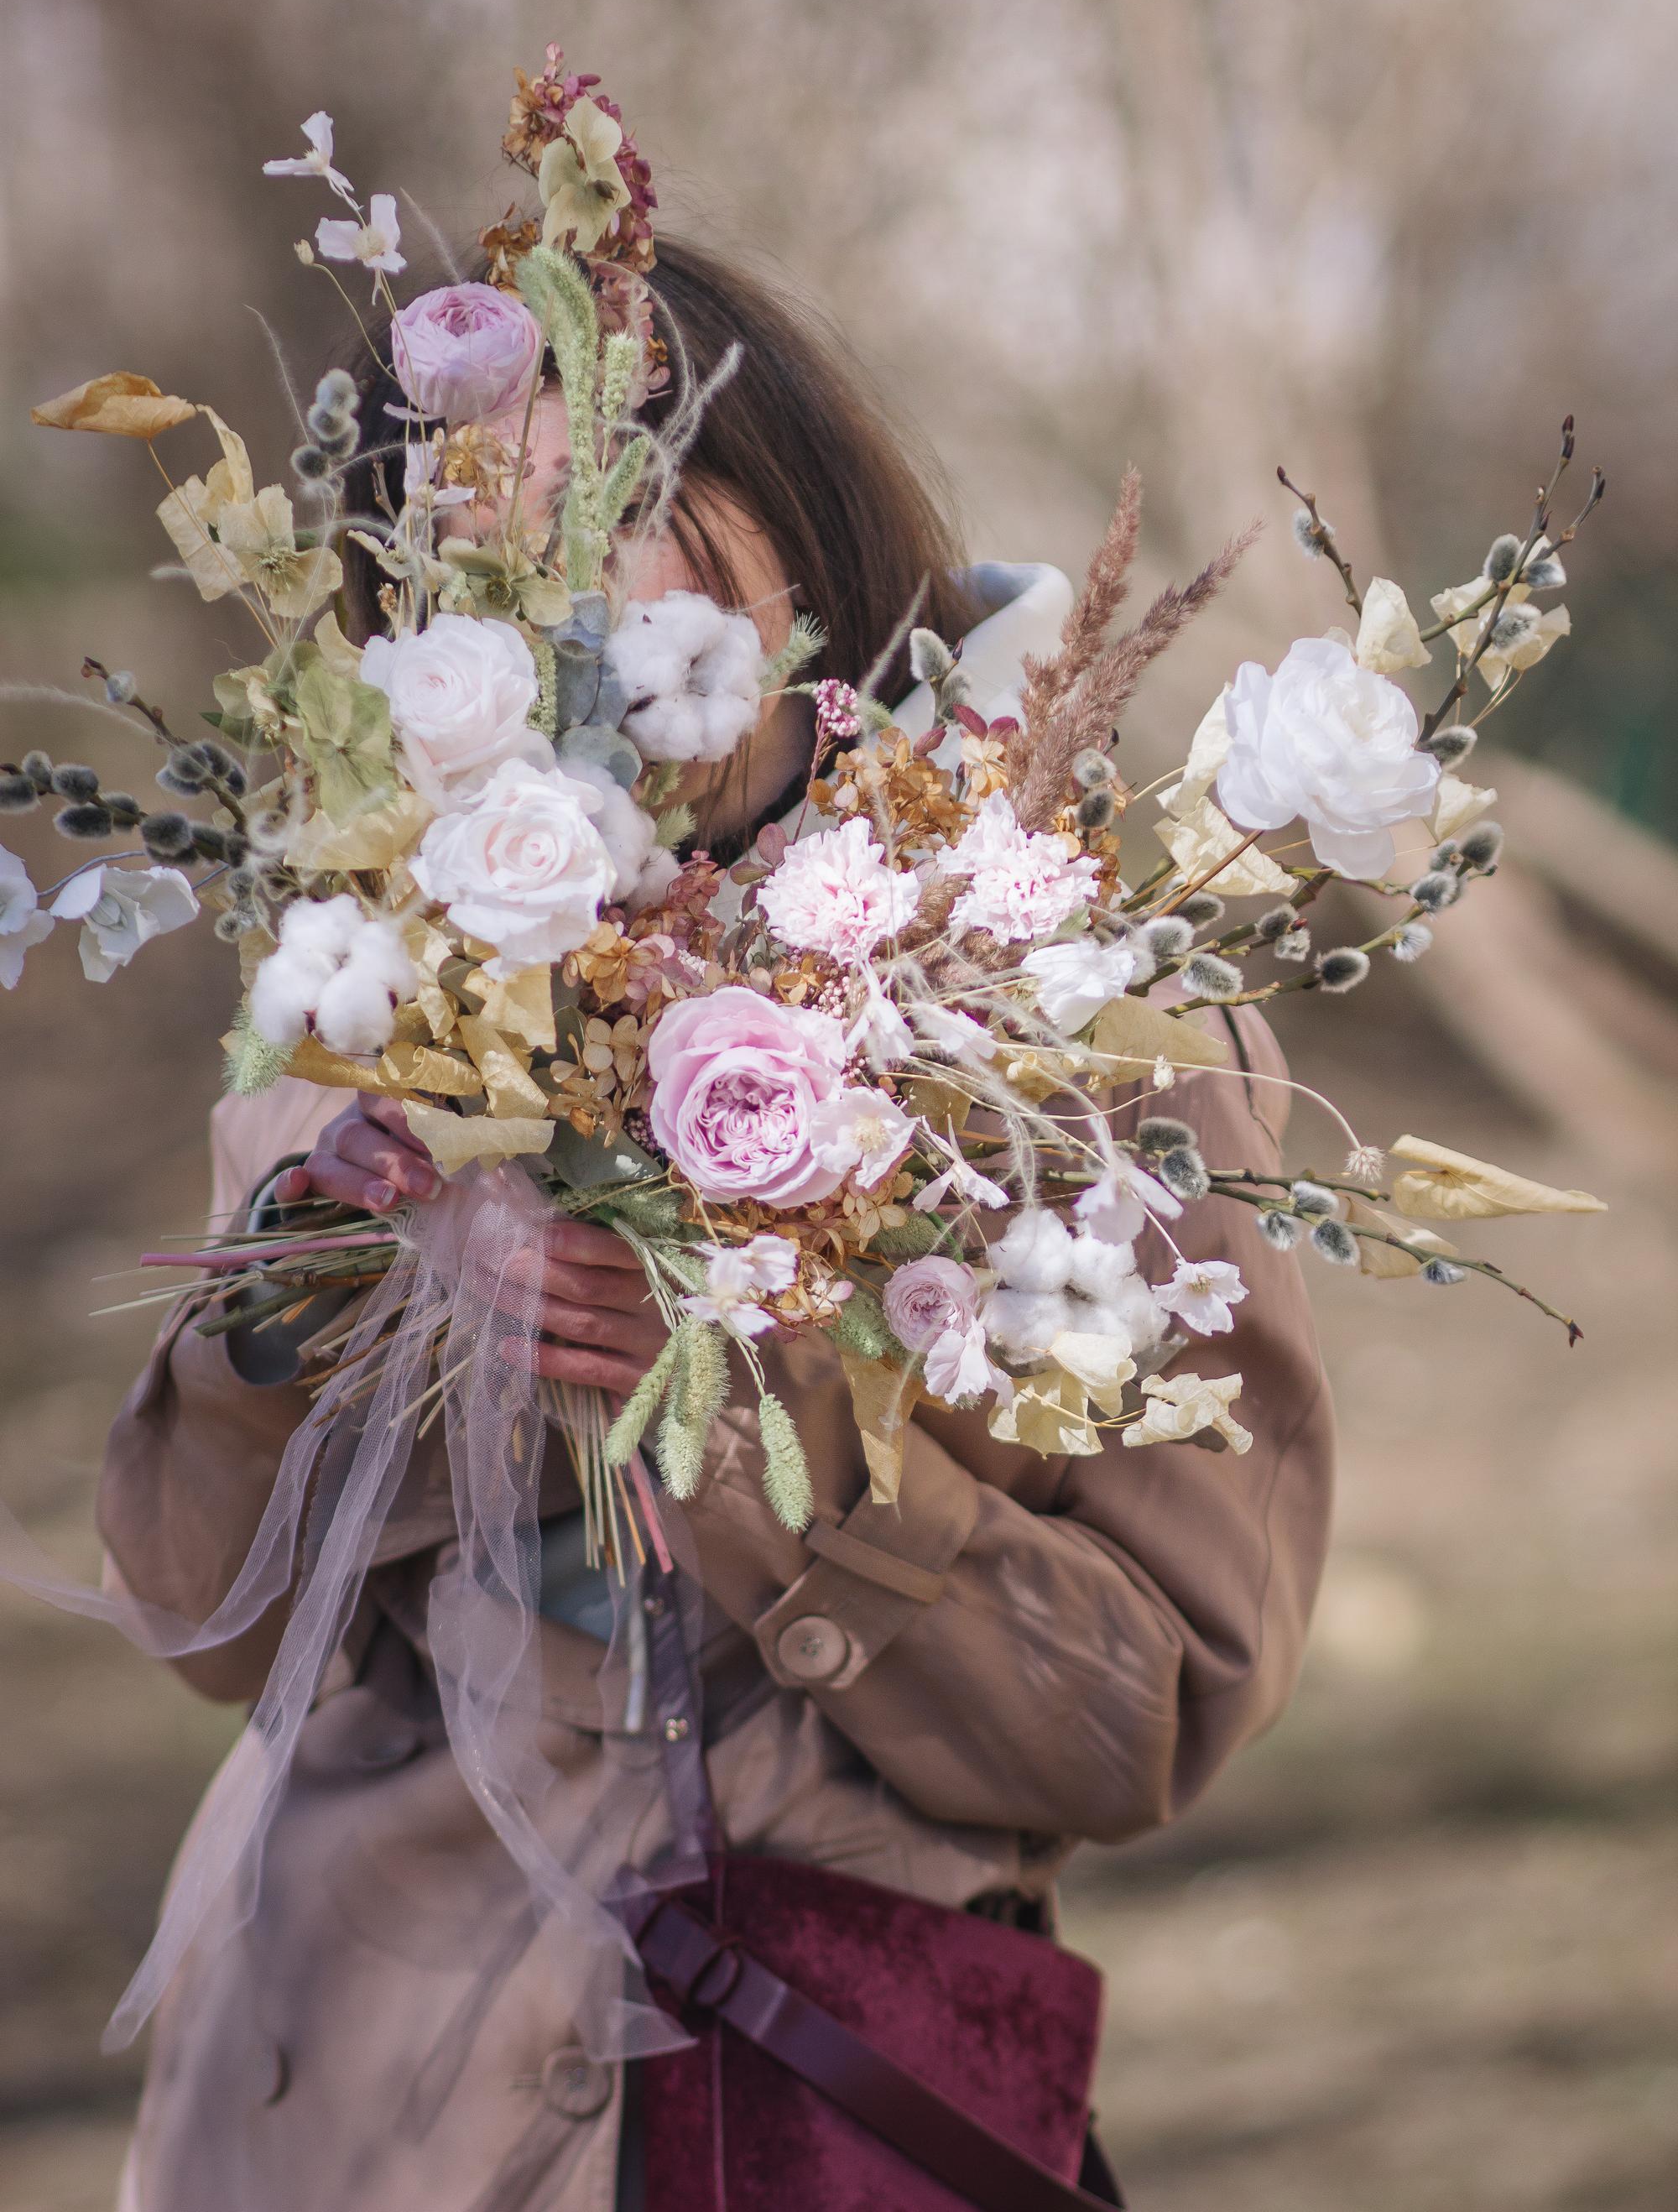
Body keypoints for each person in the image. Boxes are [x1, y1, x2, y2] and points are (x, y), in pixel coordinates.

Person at [97, 237, 1332, 2210]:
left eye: (640, 494)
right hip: (337, 2094)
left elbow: (1147, 1711)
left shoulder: (1071, 1004)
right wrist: (312, 1313)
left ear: (799, 499)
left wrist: (752, 1418)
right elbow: (194, 1622)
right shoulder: (361, 985)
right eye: (471, 541)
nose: (579, 589)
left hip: (820, 2097)